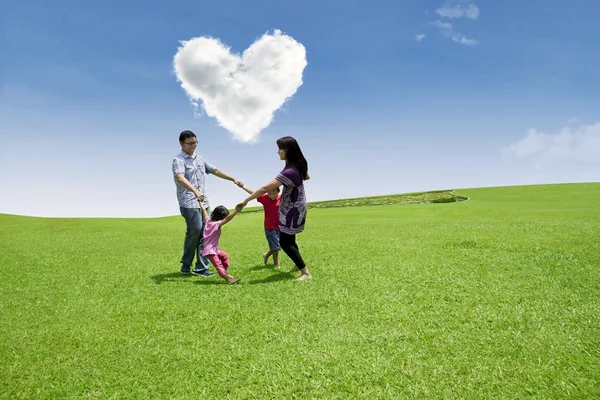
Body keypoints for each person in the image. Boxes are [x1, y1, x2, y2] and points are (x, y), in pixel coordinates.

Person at [236, 136, 312, 281]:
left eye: (280, 149)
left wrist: (245, 200)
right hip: (297, 205)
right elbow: (306, 177)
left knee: (284, 242)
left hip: (292, 209)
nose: (278, 152)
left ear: (287, 150)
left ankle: (306, 273)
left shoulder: (289, 171)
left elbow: (265, 188)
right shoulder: (299, 165)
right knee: (290, 239)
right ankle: (298, 264)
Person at [172, 130, 244, 276]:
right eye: (190, 143)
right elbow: (180, 178)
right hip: (188, 202)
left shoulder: (200, 159)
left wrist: (233, 179)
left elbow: (214, 170)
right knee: (195, 231)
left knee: (206, 233)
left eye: (195, 142)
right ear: (181, 143)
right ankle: (186, 265)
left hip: (203, 202)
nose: (193, 146)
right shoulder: (178, 160)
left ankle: (201, 268)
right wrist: (195, 191)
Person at [198, 202, 242, 284]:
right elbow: (228, 219)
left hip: (213, 249)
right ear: (221, 217)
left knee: (224, 256)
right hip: (210, 250)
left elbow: (203, 210)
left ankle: (225, 274)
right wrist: (236, 211)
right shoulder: (217, 224)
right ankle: (228, 279)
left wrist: (200, 202)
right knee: (218, 264)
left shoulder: (208, 220)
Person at [240, 185, 282, 269]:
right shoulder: (265, 198)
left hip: (281, 227)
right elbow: (254, 193)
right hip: (269, 227)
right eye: (269, 191)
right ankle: (276, 264)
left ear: (278, 191)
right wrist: (243, 186)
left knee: (278, 245)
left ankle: (266, 254)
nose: (271, 193)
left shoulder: (282, 198)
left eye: (274, 191)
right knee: (276, 247)